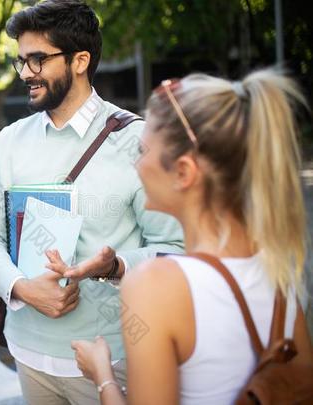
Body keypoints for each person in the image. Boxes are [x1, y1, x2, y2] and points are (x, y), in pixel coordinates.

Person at [0, 1, 183, 403]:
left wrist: (116, 265)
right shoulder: (9, 141)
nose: (26, 73)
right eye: (21, 61)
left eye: (37, 59)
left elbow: (177, 250)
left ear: (80, 60)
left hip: (112, 358)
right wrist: (22, 288)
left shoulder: (138, 142)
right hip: (28, 353)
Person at [64, 69, 313, 404]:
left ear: (183, 172)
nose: (136, 166)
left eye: (142, 151)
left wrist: (102, 376)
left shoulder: (155, 285)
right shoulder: (280, 267)